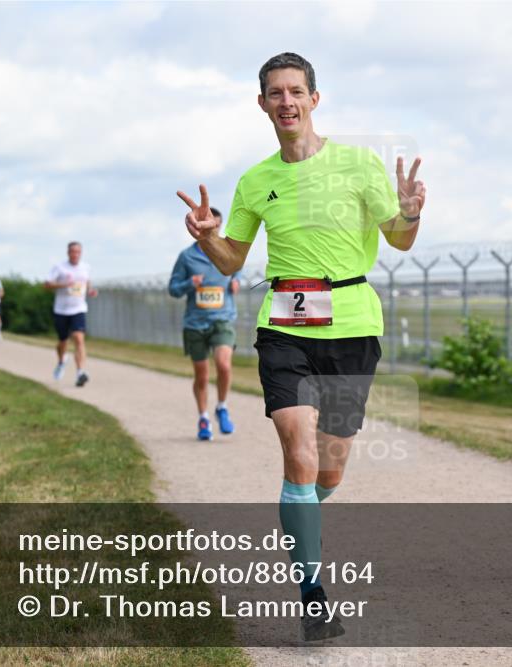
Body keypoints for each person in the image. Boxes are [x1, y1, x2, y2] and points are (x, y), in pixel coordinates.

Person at [177, 52, 425, 641]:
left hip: (353, 325)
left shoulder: (358, 165)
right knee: (298, 448)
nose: (286, 101)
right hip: (284, 325)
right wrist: (211, 239)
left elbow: (400, 241)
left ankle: (303, 514)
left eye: (296, 91)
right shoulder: (256, 180)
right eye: (274, 93)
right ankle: (313, 593)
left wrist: (411, 215)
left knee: (330, 463)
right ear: (261, 104)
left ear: (315, 99)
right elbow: (234, 260)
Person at [168, 207, 241, 441]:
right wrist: (191, 283)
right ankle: (203, 417)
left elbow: (237, 268)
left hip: (222, 319)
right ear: (199, 227)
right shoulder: (187, 257)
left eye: (217, 225)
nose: (214, 229)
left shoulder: (227, 252)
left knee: (224, 365)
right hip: (195, 323)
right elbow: (173, 289)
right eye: (209, 225)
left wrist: (236, 282)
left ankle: (222, 406)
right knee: (201, 375)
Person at [44, 241, 97, 386]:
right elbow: (47, 284)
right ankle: (61, 361)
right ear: (68, 252)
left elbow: (87, 283)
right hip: (61, 310)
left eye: (78, 252)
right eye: (73, 251)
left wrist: (91, 291)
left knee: (79, 338)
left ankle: (80, 372)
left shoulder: (85, 267)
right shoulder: (60, 268)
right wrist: (64, 285)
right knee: (62, 342)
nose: (75, 254)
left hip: (78, 308)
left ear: (81, 253)